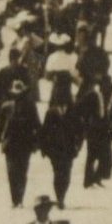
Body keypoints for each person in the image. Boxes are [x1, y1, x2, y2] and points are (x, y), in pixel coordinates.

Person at [0, 80, 41, 208]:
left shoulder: (30, 106)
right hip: (10, 144)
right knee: (11, 172)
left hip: (25, 144)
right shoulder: (6, 107)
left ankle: (19, 199)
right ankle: (14, 199)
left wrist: (37, 142)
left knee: (22, 172)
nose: (18, 96)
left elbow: (36, 124)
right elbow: (0, 125)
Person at [39, 76, 83, 209]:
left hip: (69, 149)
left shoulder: (73, 112)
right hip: (55, 150)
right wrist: (44, 149)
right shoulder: (51, 112)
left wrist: (78, 146)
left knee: (67, 173)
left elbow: (80, 131)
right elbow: (44, 131)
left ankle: (62, 195)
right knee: (58, 173)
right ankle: (59, 197)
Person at [76, 73, 111, 188]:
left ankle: (96, 178)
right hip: (93, 129)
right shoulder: (91, 95)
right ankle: (88, 181)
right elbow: (80, 109)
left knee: (102, 155)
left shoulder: (102, 95)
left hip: (101, 129)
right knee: (92, 156)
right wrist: (87, 122)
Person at [75, 23, 110, 99]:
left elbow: (105, 64)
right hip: (83, 81)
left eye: (80, 36)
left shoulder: (94, 52)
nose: (78, 39)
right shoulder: (77, 51)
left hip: (89, 82)